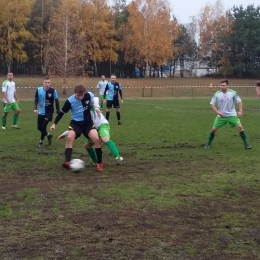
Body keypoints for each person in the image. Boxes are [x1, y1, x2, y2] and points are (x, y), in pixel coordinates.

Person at [50, 84, 103, 171]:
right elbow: (61, 112)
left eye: (82, 95)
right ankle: (67, 162)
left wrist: (97, 108)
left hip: (88, 123)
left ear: (84, 93)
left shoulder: (89, 95)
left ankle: (99, 163)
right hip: (76, 123)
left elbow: (96, 99)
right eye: (78, 95)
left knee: (96, 139)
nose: (80, 97)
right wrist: (54, 123)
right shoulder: (70, 101)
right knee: (70, 138)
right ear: (75, 93)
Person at [57, 96, 123, 165]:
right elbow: (78, 126)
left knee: (104, 139)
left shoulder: (90, 103)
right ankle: (95, 162)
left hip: (102, 125)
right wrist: (65, 133)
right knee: (87, 146)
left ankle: (118, 157)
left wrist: (97, 108)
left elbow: (96, 98)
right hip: (92, 129)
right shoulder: (82, 113)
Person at [205, 79, 252, 149]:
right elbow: (212, 104)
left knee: (240, 128)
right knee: (213, 130)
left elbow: (239, 101)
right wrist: (217, 112)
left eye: (223, 85)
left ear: (227, 85)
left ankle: (246, 145)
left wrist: (240, 111)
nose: (222, 87)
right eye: (221, 85)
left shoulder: (233, 93)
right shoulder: (217, 94)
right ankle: (208, 144)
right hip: (221, 116)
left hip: (232, 115)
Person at [34, 76, 60, 147]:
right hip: (41, 112)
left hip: (49, 112)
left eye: (48, 82)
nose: (47, 84)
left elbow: (57, 101)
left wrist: (58, 111)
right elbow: (36, 99)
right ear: (43, 83)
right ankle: (48, 135)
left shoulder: (53, 91)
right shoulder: (39, 90)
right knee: (39, 127)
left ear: (50, 83)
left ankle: (41, 142)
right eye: (46, 82)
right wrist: (35, 108)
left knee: (43, 127)